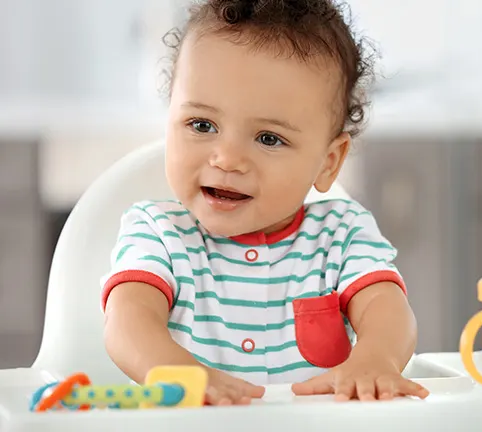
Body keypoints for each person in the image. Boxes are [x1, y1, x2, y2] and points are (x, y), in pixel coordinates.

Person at [101, 0, 428, 406]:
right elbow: (128, 320)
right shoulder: (157, 233)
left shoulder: (342, 233)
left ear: (328, 163)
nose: (227, 159)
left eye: (268, 138)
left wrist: (377, 358)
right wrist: (175, 371)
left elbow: (387, 308)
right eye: (202, 125)